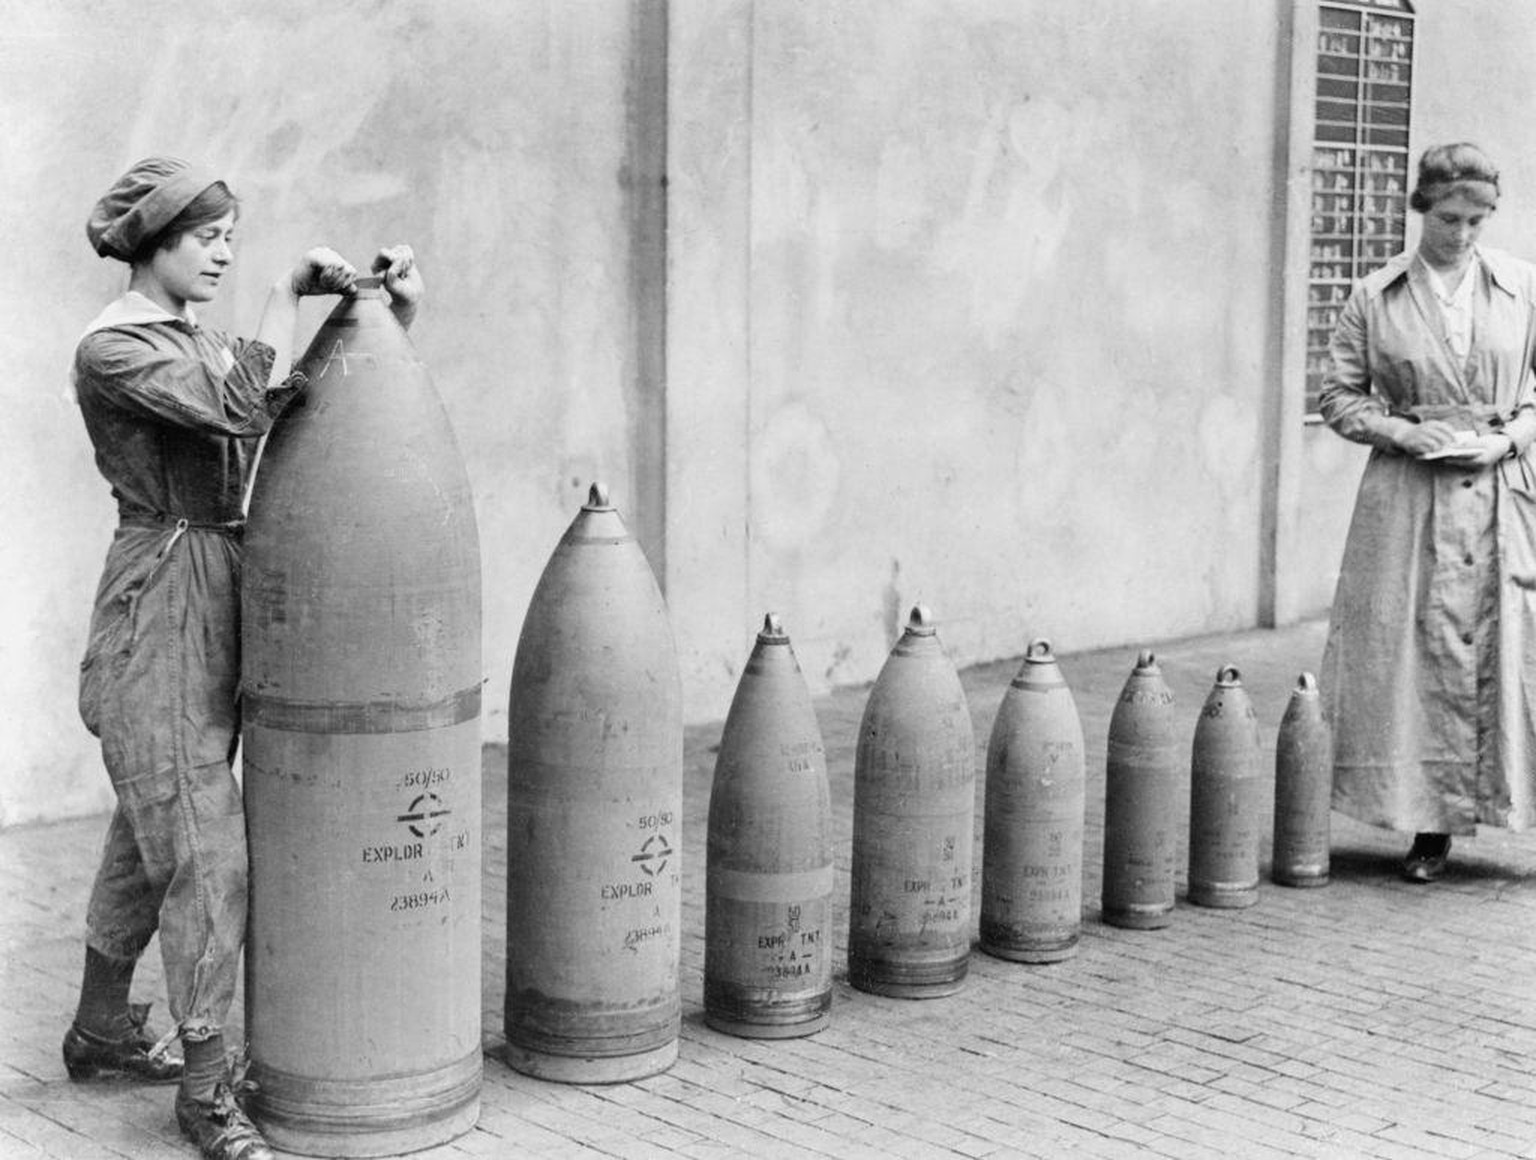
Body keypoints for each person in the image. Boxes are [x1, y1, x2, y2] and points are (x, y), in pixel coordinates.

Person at [65, 155, 423, 1160]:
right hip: (160, 600)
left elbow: (291, 409)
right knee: (205, 849)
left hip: (216, 581)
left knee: (154, 835)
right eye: (205, 236)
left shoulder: (194, 338)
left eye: (232, 235)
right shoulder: (118, 348)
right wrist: (279, 294)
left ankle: (96, 1030)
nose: (224, 251)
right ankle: (208, 1092)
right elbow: (234, 405)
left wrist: (388, 317)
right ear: (153, 243)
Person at [1319, 142, 1536, 884]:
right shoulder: (1376, 296)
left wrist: (1507, 437)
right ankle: (1429, 827)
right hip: (1411, 496)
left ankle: (1520, 815)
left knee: (1517, 651)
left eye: (1478, 220)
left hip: (1504, 493)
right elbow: (1339, 398)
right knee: (1416, 658)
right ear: (1421, 210)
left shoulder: (1521, 288)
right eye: (1450, 218)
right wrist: (1404, 431)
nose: (1464, 234)